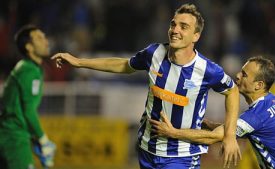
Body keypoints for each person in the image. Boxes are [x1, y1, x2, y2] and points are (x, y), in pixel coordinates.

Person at [51, 4, 241, 169]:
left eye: (184, 27)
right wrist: (78, 62)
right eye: (173, 24)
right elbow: (124, 65)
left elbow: (232, 91)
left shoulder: (207, 69)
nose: (175, 30)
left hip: (182, 155)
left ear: (196, 36)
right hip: (147, 148)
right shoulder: (154, 53)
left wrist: (230, 135)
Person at [150, 56, 275, 168]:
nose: (237, 75)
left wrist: (172, 133)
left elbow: (214, 137)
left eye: (244, 75)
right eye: (241, 71)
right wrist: (210, 124)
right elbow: (248, 129)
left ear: (258, 85)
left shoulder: (256, 115)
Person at [0, 25, 56, 169]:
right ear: (29, 47)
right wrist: (43, 139)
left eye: (44, 36)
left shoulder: (26, 68)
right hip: (14, 138)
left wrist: (33, 137)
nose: (46, 41)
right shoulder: (29, 71)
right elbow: (28, 111)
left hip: (9, 135)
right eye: (39, 38)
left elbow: (13, 108)